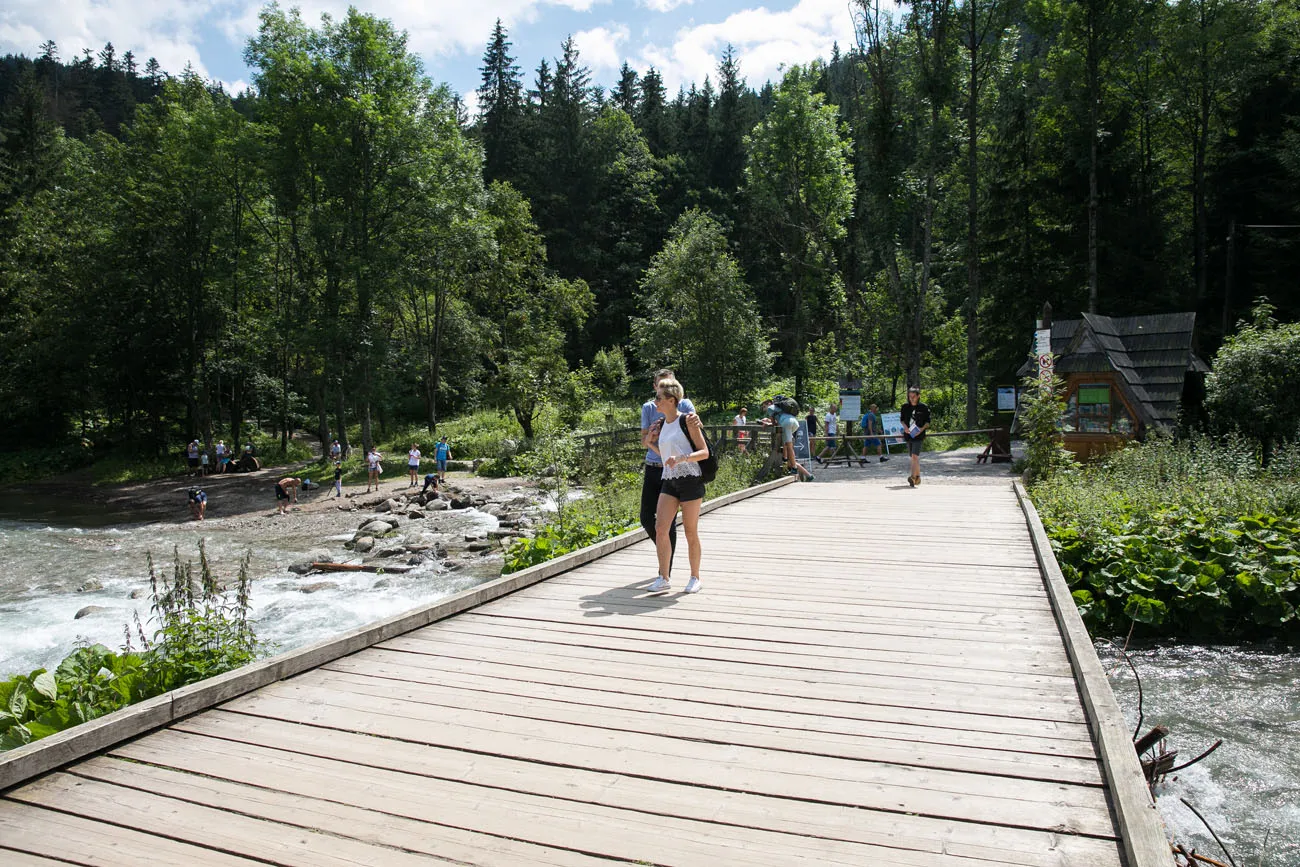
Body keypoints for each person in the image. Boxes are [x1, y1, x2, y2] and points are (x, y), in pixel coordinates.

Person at [645, 378, 708, 595]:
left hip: (690, 479)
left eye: (659, 398)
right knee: (660, 528)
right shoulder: (662, 424)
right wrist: (649, 444)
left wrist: (681, 459)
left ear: (671, 400)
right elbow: (665, 458)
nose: (655, 402)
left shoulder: (688, 421)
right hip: (669, 480)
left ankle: (695, 577)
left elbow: (704, 452)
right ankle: (664, 577)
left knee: (690, 531)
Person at [763, 399, 813, 481]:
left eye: (764, 406)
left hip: (786, 423)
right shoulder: (780, 407)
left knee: (789, 446)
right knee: (787, 443)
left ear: (768, 404)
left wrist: (767, 424)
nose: (764, 408)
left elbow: (774, 424)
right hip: (795, 423)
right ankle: (786, 458)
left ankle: (793, 467)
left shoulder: (770, 408)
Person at [900, 386, 931, 487]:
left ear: (918, 396)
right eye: (910, 396)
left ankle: (912, 477)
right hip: (908, 435)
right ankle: (918, 477)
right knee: (913, 457)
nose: (911, 398)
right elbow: (902, 420)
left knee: (914, 456)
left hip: (919, 435)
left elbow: (927, 422)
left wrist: (920, 430)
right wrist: (905, 427)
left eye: (913, 396)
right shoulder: (905, 407)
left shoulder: (924, 407)